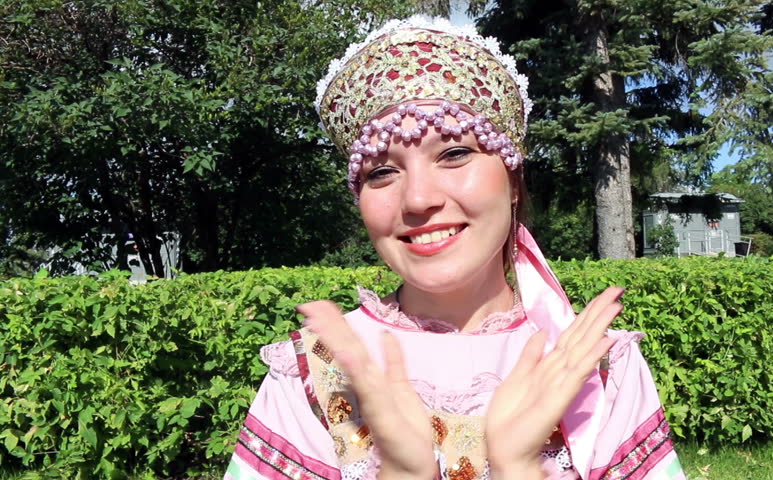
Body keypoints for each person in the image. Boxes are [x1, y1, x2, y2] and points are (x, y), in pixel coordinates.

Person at [224, 16, 685, 480]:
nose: (419, 199)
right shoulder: (318, 372)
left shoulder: (592, 368)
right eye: (381, 172)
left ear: (513, 183)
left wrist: (520, 469)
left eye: (454, 154)